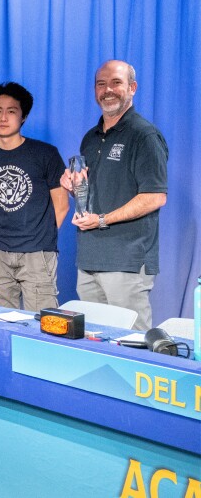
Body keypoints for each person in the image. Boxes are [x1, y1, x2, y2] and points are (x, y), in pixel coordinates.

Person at [59, 60, 167, 330]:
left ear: (132, 87)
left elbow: (154, 197)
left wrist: (103, 220)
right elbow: (94, 197)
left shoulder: (144, 135)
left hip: (127, 261)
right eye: (101, 84)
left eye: (116, 82)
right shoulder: (90, 138)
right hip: (89, 259)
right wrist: (73, 188)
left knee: (132, 344)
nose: (108, 89)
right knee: (96, 343)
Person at [0, 82, 68, 311]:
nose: (3, 117)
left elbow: (61, 206)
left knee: (42, 322)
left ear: (23, 117)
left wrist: (40, 238)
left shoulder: (45, 154)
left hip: (37, 253)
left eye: (11, 111)